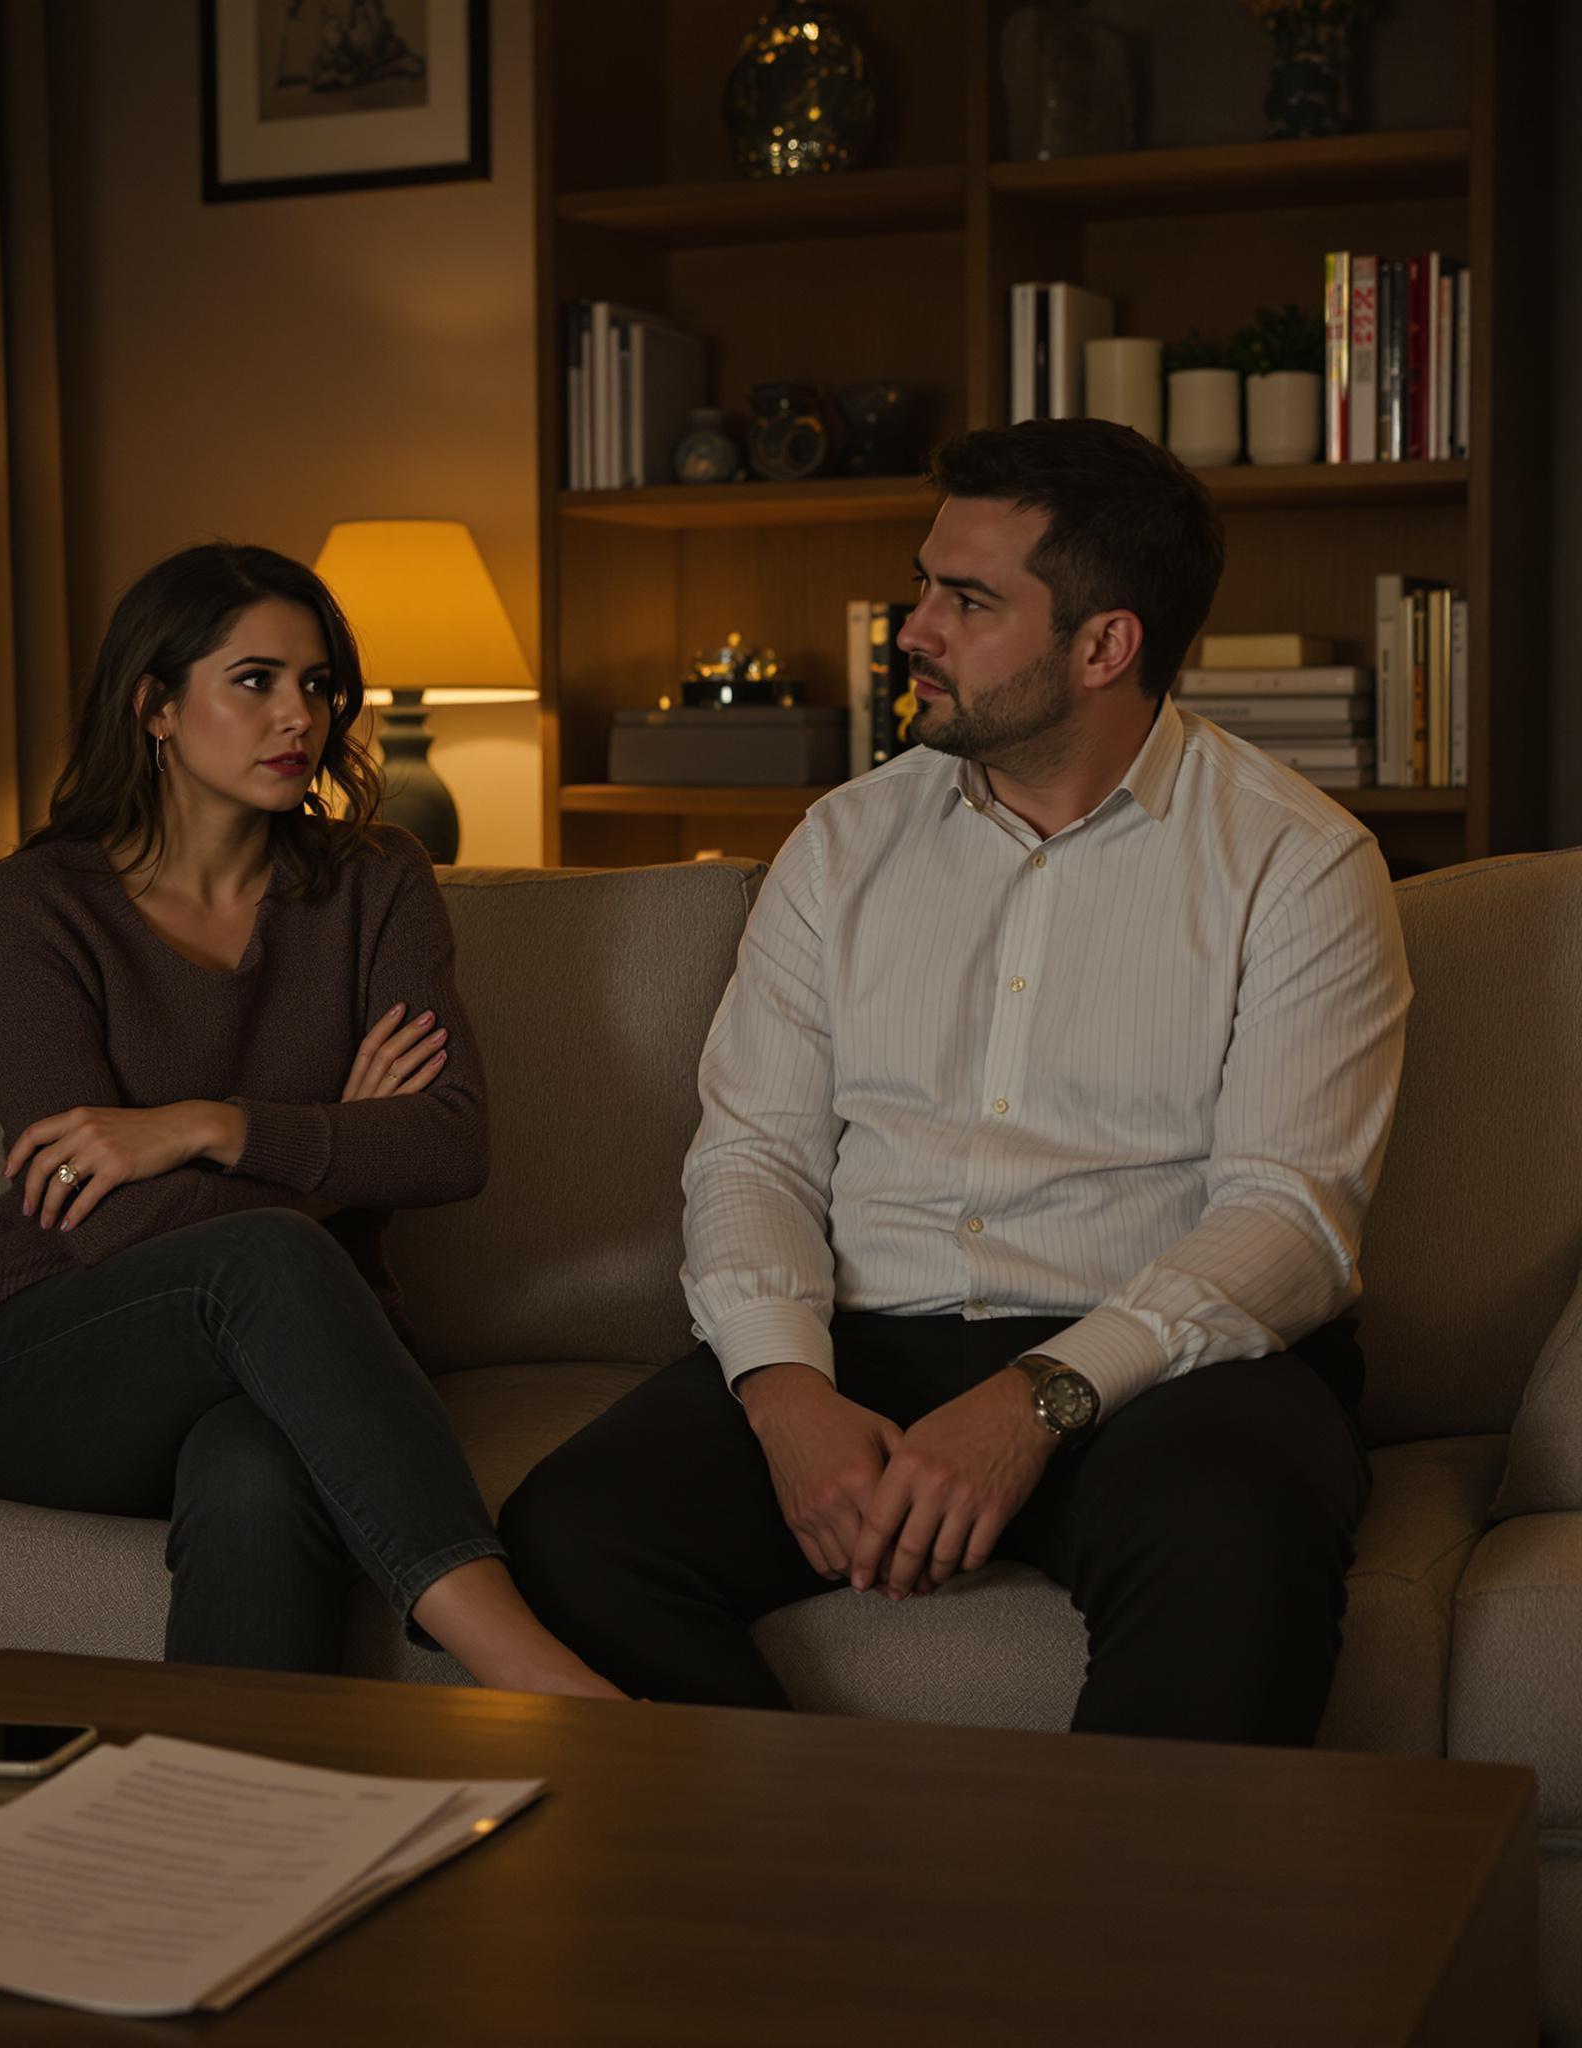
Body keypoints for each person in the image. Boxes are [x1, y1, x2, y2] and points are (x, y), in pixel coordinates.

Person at [500, 418, 1412, 1744]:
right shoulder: (842, 842)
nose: (912, 629)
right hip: (869, 1337)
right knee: (572, 1534)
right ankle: (829, 1883)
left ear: (1105, 646)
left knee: (1239, 1547)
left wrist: (1040, 1397)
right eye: (925, 583)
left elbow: (1291, 1221)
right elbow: (753, 1155)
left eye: (967, 600)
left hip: (1169, 1368)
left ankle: (1127, 1954)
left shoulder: (1301, 862)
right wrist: (783, 1390)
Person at [0, 541, 620, 1701]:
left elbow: (451, 1143)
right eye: (252, 680)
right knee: (262, 1255)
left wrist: (204, 1123)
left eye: (316, 685)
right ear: (156, 705)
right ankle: (527, 1665)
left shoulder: (375, 878)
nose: (295, 716)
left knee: (257, 1472)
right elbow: (101, 1225)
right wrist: (337, 1150)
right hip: (56, 1362)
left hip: (284, 1371)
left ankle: (233, 1829)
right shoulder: (35, 905)